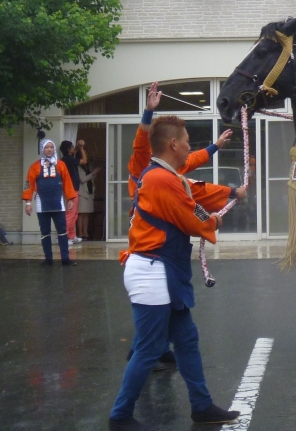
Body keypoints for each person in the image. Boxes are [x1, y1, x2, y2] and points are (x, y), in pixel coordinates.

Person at [108, 115, 246, 430]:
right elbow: (192, 216)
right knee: (148, 347)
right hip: (152, 270)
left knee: (186, 340)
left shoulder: (168, 176)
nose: (189, 148)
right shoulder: (162, 179)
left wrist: (230, 193)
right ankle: (120, 416)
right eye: (186, 142)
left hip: (161, 269)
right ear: (173, 144)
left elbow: (193, 196)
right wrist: (213, 221)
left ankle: (201, 405)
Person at [23, 139, 77, 266]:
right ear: (42, 149)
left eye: (51, 147)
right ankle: (48, 258)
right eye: (46, 147)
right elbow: (28, 185)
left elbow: (68, 182)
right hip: (42, 204)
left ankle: (65, 257)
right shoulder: (35, 166)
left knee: (62, 230)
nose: (49, 149)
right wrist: (28, 203)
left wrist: (70, 199)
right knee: (45, 231)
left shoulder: (61, 165)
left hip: (58, 203)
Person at [59, 139, 87, 244]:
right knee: (70, 213)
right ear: (68, 149)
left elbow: (74, 151)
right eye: (71, 147)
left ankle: (71, 236)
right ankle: (64, 237)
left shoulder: (68, 158)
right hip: (71, 189)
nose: (73, 149)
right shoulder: (68, 159)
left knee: (74, 214)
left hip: (73, 188)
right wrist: (82, 149)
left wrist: (78, 147)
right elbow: (84, 161)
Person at [76, 163, 99, 240]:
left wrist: (94, 174)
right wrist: (93, 173)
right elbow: (82, 179)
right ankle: (80, 233)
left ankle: (85, 233)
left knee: (87, 214)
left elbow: (91, 179)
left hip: (89, 192)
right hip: (82, 193)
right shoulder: (78, 167)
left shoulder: (88, 166)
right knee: (81, 213)